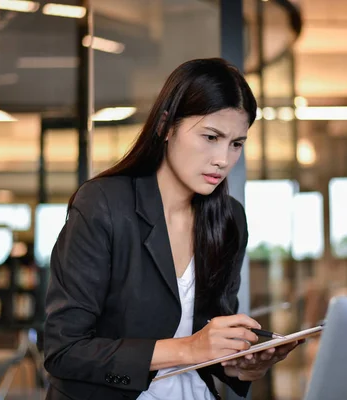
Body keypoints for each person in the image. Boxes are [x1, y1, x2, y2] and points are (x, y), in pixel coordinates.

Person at [43, 58, 302, 400]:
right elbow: (64, 351)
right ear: (166, 126)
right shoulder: (103, 204)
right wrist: (189, 349)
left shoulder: (228, 220)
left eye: (236, 143)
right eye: (211, 137)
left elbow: (211, 349)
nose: (223, 159)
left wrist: (244, 363)